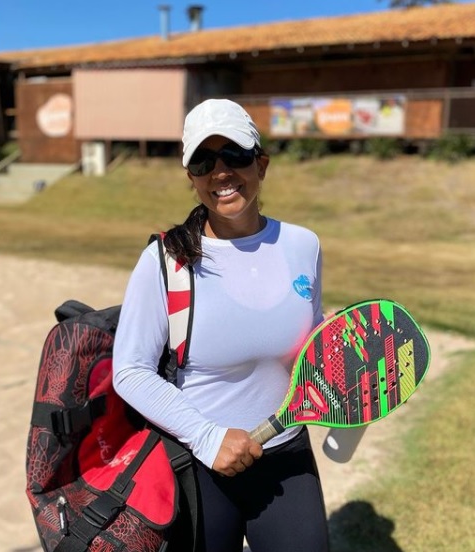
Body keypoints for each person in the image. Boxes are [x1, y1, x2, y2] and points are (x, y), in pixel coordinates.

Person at [112, 98, 330, 552]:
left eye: (235, 155)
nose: (221, 171)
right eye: (203, 160)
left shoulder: (302, 245)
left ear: (261, 164)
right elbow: (130, 370)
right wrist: (206, 437)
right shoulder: (166, 259)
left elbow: (313, 341)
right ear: (191, 178)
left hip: (287, 452)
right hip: (198, 462)